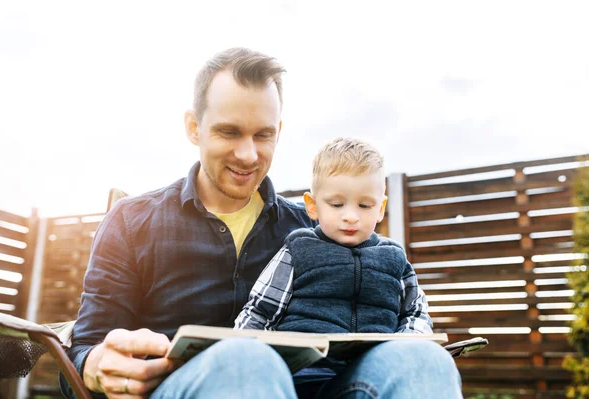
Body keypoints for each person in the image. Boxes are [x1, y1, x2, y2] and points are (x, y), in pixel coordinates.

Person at [60, 48, 461, 399]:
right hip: (180, 387)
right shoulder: (132, 222)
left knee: (422, 361)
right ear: (193, 127)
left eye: (263, 135)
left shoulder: (318, 229)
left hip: (316, 387)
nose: (248, 154)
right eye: (229, 132)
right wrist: (94, 364)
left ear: (279, 132)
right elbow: (84, 348)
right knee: (246, 359)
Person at [235, 137, 434, 335]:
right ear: (312, 206)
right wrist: (243, 347)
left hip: (376, 356)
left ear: (380, 208)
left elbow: (416, 313)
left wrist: (407, 343)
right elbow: (261, 311)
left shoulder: (394, 257)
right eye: (337, 205)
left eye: (364, 205)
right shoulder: (298, 249)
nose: (350, 217)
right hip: (311, 353)